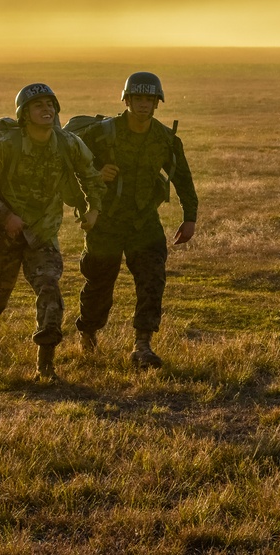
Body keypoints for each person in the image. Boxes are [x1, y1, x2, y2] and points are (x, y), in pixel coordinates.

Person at [0, 83, 106, 382]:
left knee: (49, 287)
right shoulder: (5, 143)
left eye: (51, 104)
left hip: (42, 233)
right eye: (38, 105)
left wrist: (93, 209)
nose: (47, 110)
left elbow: (91, 175)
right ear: (24, 114)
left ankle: (46, 364)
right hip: (3, 234)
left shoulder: (67, 143)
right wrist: (5, 216)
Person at [74, 72, 198, 368]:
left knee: (152, 280)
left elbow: (183, 179)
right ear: (127, 100)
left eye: (149, 99)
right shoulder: (102, 133)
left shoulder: (165, 139)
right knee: (100, 282)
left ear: (157, 103)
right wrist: (95, 173)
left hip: (144, 223)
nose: (144, 105)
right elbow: (69, 162)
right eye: (138, 98)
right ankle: (88, 333)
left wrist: (189, 218)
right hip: (106, 221)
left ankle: (142, 345)